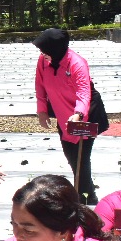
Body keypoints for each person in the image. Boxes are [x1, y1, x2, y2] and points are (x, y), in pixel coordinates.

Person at [33, 29, 109, 205]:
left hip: (85, 115)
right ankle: (88, 194)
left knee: (81, 158)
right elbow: (39, 84)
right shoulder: (43, 61)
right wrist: (42, 110)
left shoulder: (77, 63)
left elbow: (84, 92)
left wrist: (79, 114)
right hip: (62, 113)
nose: (42, 54)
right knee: (71, 156)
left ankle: (83, 200)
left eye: (45, 50)